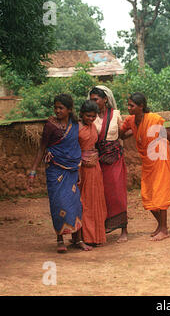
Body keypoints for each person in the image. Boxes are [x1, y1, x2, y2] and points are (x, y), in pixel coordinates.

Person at [28, 94, 92, 253]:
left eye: (61, 108)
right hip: (55, 170)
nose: (57, 110)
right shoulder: (50, 125)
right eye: (55, 107)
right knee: (59, 204)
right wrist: (33, 170)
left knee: (76, 204)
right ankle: (60, 239)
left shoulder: (75, 125)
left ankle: (78, 239)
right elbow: (42, 147)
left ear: (69, 110)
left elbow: (80, 142)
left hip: (72, 170)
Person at [120, 92, 170, 241]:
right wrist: (132, 131)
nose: (129, 108)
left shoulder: (154, 119)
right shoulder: (131, 120)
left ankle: (164, 229)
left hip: (159, 157)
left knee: (160, 192)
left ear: (141, 106)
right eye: (128, 105)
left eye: (132, 106)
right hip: (147, 160)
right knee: (147, 194)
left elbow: (167, 134)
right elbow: (121, 134)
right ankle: (161, 225)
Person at [89, 86, 128, 243]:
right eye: (91, 100)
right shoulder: (91, 117)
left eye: (96, 99)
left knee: (117, 193)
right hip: (98, 160)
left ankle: (124, 229)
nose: (93, 102)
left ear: (105, 99)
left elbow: (123, 134)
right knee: (101, 194)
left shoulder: (115, 115)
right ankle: (102, 228)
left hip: (115, 158)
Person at [78, 100, 108, 246]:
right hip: (82, 169)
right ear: (82, 114)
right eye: (88, 116)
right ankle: (84, 237)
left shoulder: (94, 127)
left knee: (97, 201)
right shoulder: (76, 128)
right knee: (85, 202)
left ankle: (96, 236)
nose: (91, 119)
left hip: (95, 168)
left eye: (93, 116)